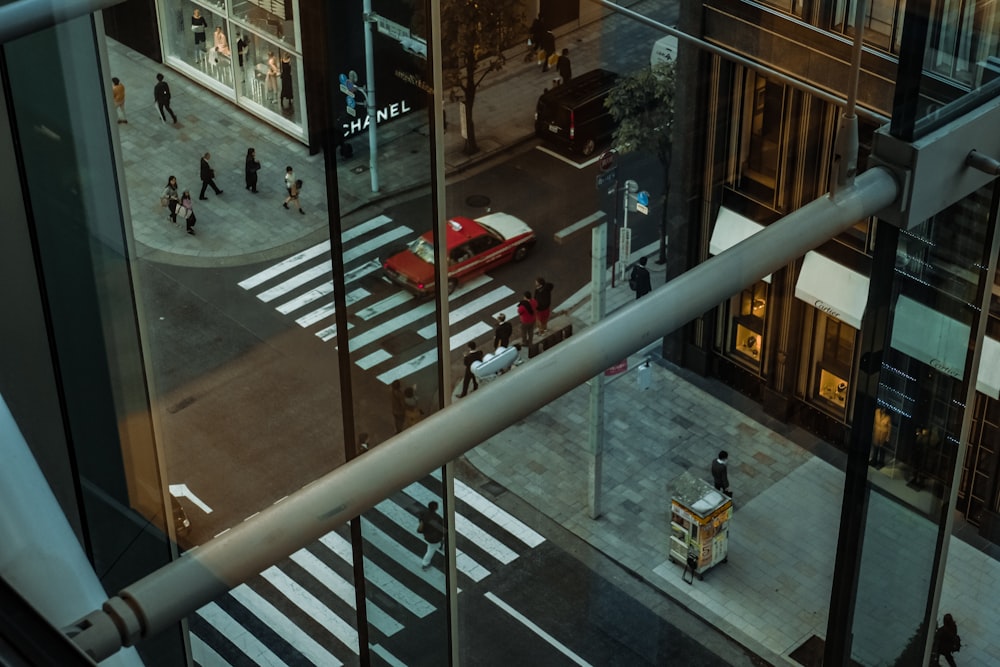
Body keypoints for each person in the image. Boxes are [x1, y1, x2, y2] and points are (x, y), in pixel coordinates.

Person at [417, 501, 444, 569]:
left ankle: (439, 545)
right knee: (431, 550)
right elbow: (441, 529)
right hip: (434, 538)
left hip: (427, 534)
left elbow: (421, 521)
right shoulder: (437, 518)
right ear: (436, 508)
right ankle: (425, 563)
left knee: (434, 546)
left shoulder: (424, 513)